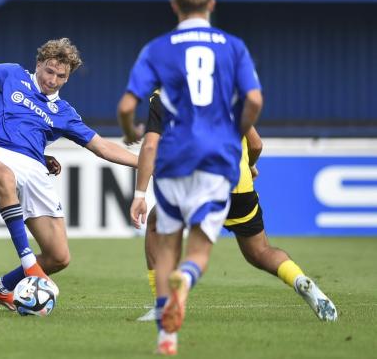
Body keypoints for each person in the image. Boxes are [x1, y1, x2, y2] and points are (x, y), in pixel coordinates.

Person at [0, 37, 138, 312]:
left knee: (59, 257)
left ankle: (1, 287)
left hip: (35, 168)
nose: (53, 79)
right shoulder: (11, 74)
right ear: (38, 65)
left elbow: (102, 147)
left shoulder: (64, 113)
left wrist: (144, 164)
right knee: (2, 174)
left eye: (61, 76)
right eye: (49, 71)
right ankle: (29, 264)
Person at [117, 0, 264, 354]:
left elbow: (126, 107)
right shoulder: (233, 47)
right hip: (218, 162)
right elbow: (254, 100)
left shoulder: (158, 48)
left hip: (173, 161)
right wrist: (238, 130)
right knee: (198, 249)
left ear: (174, 5)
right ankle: (187, 277)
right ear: (211, 4)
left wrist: (128, 129)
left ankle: (167, 338)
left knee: (166, 246)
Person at [127, 94, 337, 325]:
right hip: (240, 187)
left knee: (156, 224)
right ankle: (299, 279)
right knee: (260, 252)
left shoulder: (163, 94)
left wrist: (140, 194)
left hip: (199, 185)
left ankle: (163, 305)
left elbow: (150, 146)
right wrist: (249, 166)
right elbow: (256, 144)